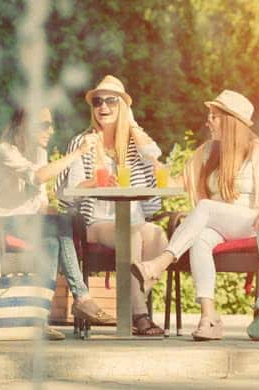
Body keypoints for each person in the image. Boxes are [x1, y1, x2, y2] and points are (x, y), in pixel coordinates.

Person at [131, 90, 259, 341]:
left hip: (252, 225)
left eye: (214, 116)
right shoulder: (207, 153)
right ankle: (209, 318)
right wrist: (155, 167)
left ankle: (158, 265)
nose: (208, 121)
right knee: (201, 238)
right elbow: (177, 184)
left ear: (231, 121)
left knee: (204, 207)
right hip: (217, 225)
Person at [0, 106, 117, 340]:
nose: (51, 130)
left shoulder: (38, 155)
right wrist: (78, 152)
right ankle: (82, 297)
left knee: (52, 238)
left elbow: (41, 204)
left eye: (51, 124)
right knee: (56, 226)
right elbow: (38, 177)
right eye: (45, 125)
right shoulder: (4, 151)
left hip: (22, 225)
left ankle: (40, 319)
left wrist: (68, 208)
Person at [55, 75, 168, 336]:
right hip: (96, 221)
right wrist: (94, 183)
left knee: (158, 236)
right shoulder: (83, 142)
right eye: (97, 101)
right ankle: (139, 315)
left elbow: (155, 157)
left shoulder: (132, 147)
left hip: (134, 218)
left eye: (111, 101)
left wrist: (133, 127)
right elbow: (68, 193)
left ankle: (130, 305)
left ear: (123, 108)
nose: (103, 107)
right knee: (130, 236)